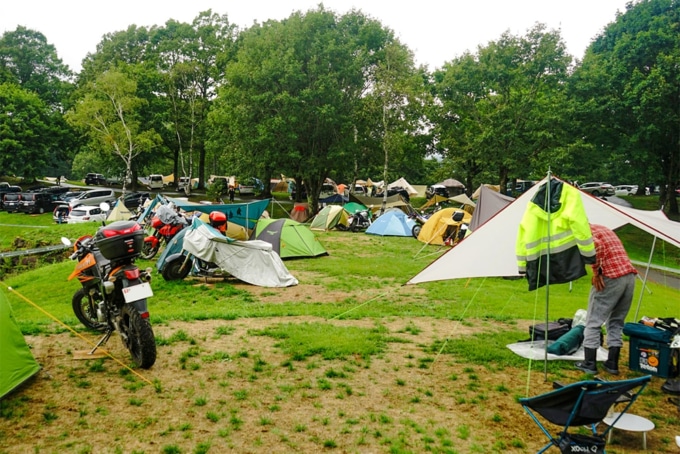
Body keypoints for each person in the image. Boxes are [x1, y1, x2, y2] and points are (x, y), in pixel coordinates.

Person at [575, 224, 638, 375]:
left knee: (593, 321)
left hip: (611, 277)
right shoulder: (603, 228)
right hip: (629, 276)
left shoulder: (583, 231)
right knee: (616, 321)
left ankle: (589, 363)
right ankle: (612, 363)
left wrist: (597, 272)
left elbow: (597, 245)